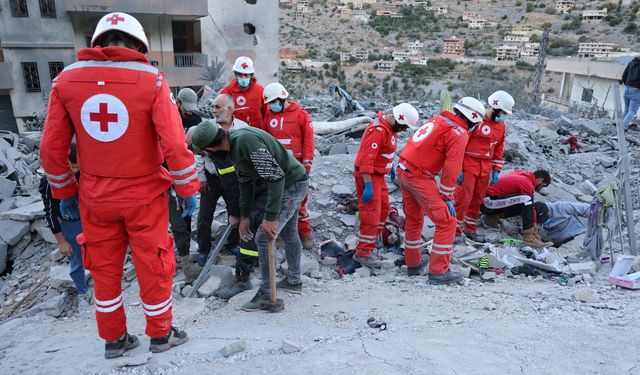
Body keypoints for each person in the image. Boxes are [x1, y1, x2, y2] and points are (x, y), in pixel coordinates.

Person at [39, 13, 199, 358]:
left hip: (95, 198)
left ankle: (114, 340)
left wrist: (65, 193)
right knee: (153, 263)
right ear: (139, 45)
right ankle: (161, 334)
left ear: (98, 43)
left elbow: (51, 150)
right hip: (144, 197)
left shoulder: (65, 81)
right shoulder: (152, 80)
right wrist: (188, 191)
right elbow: (174, 144)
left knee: (105, 268)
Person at [190, 122, 308, 311]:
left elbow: (276, 177)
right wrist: (244, 216)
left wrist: (270, 218)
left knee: (263, 236)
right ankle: (293, 281)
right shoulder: (233, 147)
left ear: (211, 148)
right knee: (289, 232)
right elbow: (245, 182)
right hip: (289, 182)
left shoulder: (245, 142)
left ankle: (267, 293)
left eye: (205, 153)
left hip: (291, 184)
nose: (208, 157)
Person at [397, 97, 485, 284]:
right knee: (447, 222)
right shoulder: (459, 133)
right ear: (472, 118)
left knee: (414, 219)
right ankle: (438, 272)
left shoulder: (437, 120)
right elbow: (452, 167)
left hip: (404, 169)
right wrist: (447, 196)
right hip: (419, 176)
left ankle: (412, 264)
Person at [352, 103, 419, 270]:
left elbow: (386, 152)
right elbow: (366, 160)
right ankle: (362, 253)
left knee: (383, 210)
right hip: (369, 176)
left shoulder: (390, 129)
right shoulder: (378, 131)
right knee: (371, 214)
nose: (404, 130)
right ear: (398, 119)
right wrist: (367, 184)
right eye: (403, 126)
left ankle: (370, 242)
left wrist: (391, 168)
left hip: (379, 175)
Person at [454, 91, 513, 243]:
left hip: (485, 168)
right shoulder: (476, 120)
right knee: (463, 198)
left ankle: (470, 228)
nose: (503, 116)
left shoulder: (501, 126)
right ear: (495, 107)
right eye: (502, 112)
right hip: (468, 163)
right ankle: (455, 230)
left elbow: (499, 147)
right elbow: (460, 143)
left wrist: (496, 170)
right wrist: (458, 166)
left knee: (477, 199)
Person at [262, 83, 315, 249]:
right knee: (276, 200)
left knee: (300, 201)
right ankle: (277, 234)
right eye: (269, 103)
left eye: (273, 102)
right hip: (277, 167)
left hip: (297, 167)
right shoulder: (269, 116)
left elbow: (309, 141)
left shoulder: (301, 115)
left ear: (283, 98)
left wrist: (306, 166)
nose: (272, 106)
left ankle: (304, 233)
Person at [38, 144, 90, 306]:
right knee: (75, 261)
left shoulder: (86, 173)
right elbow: (51, 213)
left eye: (77, 167)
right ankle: (82, 292)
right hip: (70, 225)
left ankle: (105, 287)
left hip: (91, 220)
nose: (74, 171)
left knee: (99, 255)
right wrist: (62, 242)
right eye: (71, 167)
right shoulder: (49, 182)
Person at [171, 88, 202, 270]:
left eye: (192, 108)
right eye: (186, 108)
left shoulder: (194, 120)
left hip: (185, 173)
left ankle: (185, 252)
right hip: (165, 174)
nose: (189, 112)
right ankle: (181, 255)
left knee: (186, 215)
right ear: (178, 102)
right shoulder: (167, 116)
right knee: (175, 218)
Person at [481, 170, 552, 248]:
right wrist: (534, 232)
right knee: (527, 200)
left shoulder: (520, 174)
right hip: (488, 202)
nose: (540, 188)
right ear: (540, 180)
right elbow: (531, 207)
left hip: (489, 201)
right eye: (542, 185)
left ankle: (492, 217)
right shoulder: (526, 183)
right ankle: (529, 238)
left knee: (523, 203)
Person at [220, 56, 266, 129]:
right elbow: (222, 116)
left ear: (251, 75)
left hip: (258, 134)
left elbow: (266, 113)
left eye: (246, 75)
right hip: (236, 134)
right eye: (240, 74)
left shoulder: (260, 91)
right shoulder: (226, 92)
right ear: (235, 74)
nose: (243, 78)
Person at [620, 56, 640, 130]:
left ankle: (619, 126)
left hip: (627, 88)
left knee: (627, 109)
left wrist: (627, 84)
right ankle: (623, 127)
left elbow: (624, 75)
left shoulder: (631, 63)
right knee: (632, 111)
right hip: (636, 90)